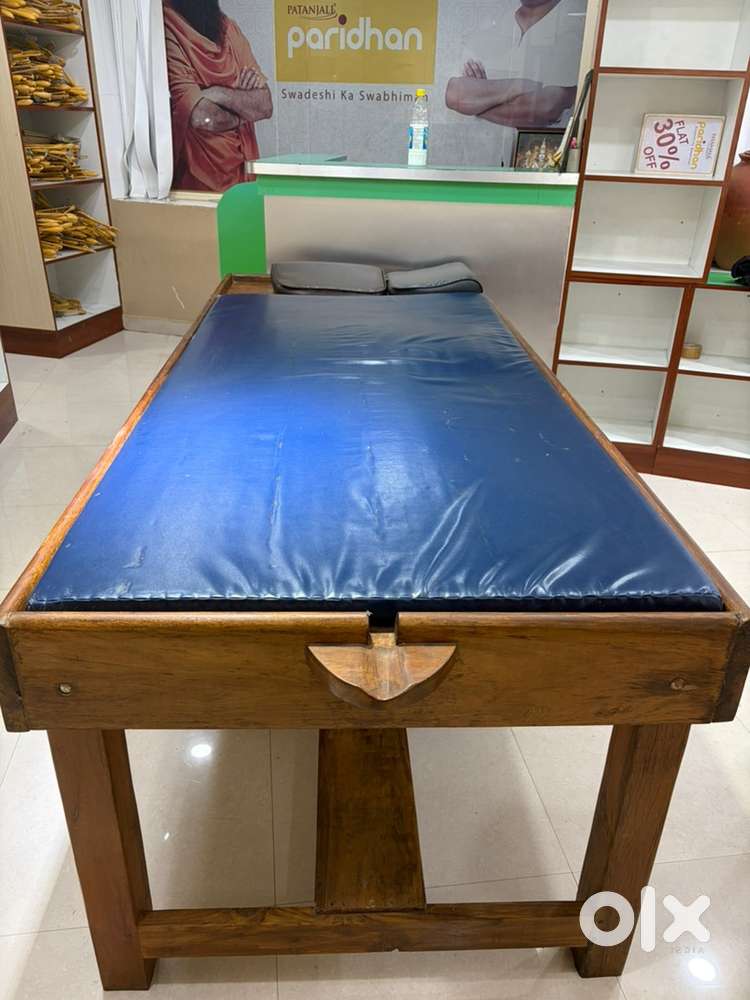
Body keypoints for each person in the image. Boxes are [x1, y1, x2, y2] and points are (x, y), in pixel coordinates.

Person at [164, 0, 273, 192]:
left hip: (241, 182)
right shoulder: (167, 27)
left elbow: (265, 106)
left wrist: (218, 93)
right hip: (196, 186)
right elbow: (203, 118)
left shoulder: (227, 28)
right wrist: (242, 111)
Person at [445, 0, 586, 133]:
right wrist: (520, 87)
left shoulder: (573, 31)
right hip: (482, 146)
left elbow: (547, 107)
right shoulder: (489, 30)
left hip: (537, 148)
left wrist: (478, 105)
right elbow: (455, 96)